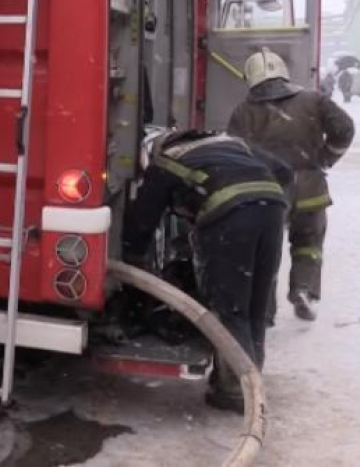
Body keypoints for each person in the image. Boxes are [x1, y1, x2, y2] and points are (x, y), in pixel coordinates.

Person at [125, 129, 292, 413]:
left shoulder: (166, 161)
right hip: (273, 209)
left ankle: (236, 391)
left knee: (230, 308)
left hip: (230, 218)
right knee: (256, 303)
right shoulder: (233, 141)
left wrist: (132, 255)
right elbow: (285, 171)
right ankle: (251, 381)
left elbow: (144, 218)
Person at [228, 48, 355, 322]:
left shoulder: (243, 112)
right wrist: (326, 157)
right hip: (311, 190)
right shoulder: (314, 100)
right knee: (308, 243)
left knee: (265, 250)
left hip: (268, 193)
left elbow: (235, 153)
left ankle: (265, 311)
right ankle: (304, 290)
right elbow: (345, 129)